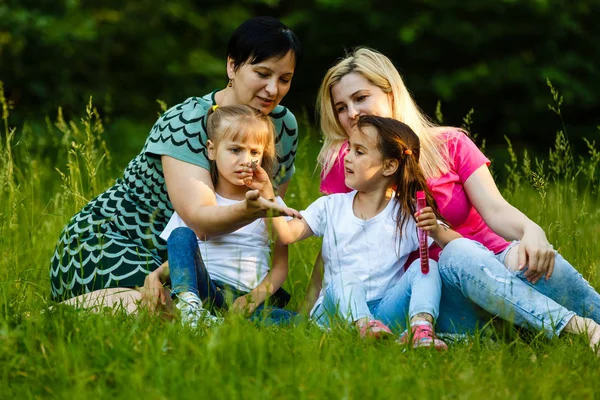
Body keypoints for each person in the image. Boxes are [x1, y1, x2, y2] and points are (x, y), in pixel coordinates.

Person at [314, 47, 600, 352]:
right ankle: (576, 328)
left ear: (391, 92)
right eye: (341, 107)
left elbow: (496, 209)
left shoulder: (450, 145)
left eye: (360, 98)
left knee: (534, 260)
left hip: (498, 266)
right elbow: (335, 245)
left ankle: (560, 327)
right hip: (436, 295)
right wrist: (311, 309)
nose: (352, 113)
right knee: (454, 253)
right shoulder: (351, 166)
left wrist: (533, 232)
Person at [49, 17, 302, 312]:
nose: (273, 89)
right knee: (160, 311)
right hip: (118, 241)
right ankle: (46, 316)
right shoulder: (186, 121)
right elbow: (200, 219)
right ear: (232, 66)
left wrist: (256, 291)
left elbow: (268, 224)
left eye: (284, 79)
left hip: (199, 260)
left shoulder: (283, 126)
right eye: (262, 73)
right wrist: (252, 210)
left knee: (212, 316)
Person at [265, 115, 460, 349]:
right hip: (333, 314)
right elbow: (286, 234)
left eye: (359, 152)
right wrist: (268, 192)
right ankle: (363, 325)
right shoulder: (331, 206)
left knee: (425, 267)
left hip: (384, 314)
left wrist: (436, 230)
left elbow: (458, 247)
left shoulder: (406, 214)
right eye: (349, 149)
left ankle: (420, 328)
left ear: (389, 166)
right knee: (344, 277)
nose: (347, 158)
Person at [156, 105, 295, 327]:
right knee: (181, 234)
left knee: (295, 322)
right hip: (205, 289)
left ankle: (216, 322)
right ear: (212, 150)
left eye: (254, 153)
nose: (245, 160)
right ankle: (189, 307)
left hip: (248, 298)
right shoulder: (198, 202)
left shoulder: (270, 204)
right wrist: (157, 274)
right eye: (235, 150)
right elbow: (182, 251)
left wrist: (252, 298)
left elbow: (280, 267)